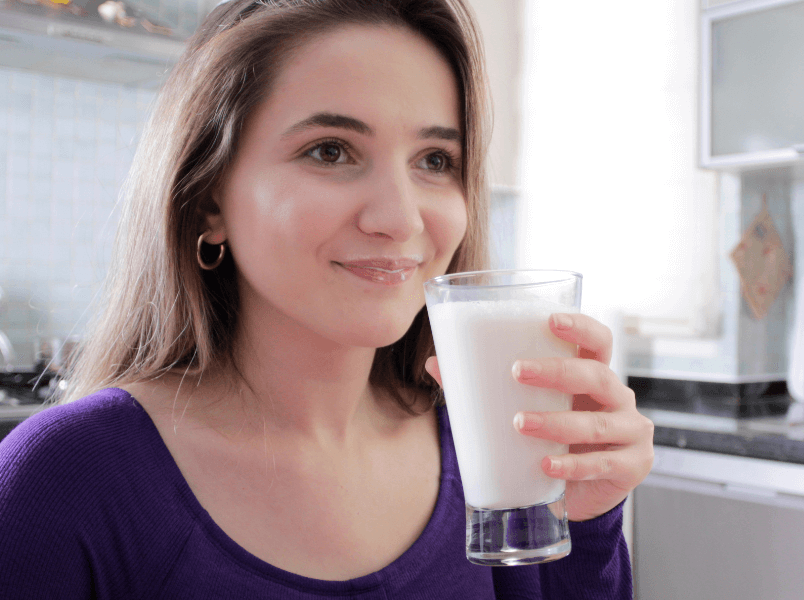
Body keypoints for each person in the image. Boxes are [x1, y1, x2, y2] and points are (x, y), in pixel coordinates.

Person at [0, 0, 654, 597]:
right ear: (207, 201)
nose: (400, 218)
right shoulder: (62, 481)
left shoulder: (489, 457)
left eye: (433, 160)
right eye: (331, 150)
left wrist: (586, 525)